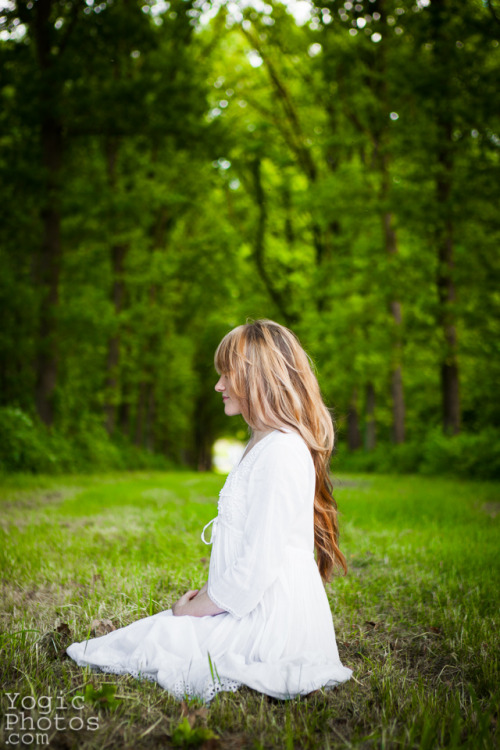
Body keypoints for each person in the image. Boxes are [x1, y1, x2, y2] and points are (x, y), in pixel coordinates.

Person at [66, 320, 352, 701]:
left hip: (270, 619)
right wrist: (208, 596)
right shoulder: (263, 443)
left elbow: (260, 565)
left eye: (227, 375)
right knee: (148, 636)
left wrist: (196, 610)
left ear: (258, 378)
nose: (218, 386)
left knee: (159, 638)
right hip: (250, 601)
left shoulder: (282, 451)